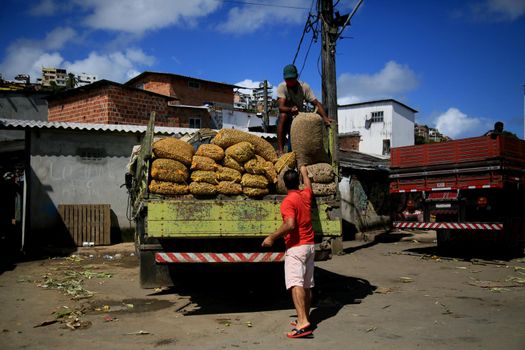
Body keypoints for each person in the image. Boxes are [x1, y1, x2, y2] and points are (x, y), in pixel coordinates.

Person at [261, 165, 315, 338]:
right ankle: (305, 318)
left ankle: (302, 322)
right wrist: (305, 173)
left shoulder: (288, 201)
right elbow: (308, 186)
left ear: (284, 185)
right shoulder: (305, 196)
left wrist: (271, 237)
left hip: (296, 248)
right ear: (297, 182)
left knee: (295, 283)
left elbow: (290, 224)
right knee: (306, 285)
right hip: (309, 246)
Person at [276, 64, 332, 155]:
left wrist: (325, 118)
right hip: (285, 119)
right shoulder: (282, 87)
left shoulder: (304, 87)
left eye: (291, 79)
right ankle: (280, 150)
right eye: (287, 79)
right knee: (283, 115)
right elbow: (281, 107)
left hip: (297, 118)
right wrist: (291, 109)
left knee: (293, 147)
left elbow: (316, 103)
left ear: (297, 77)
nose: (289, 81)